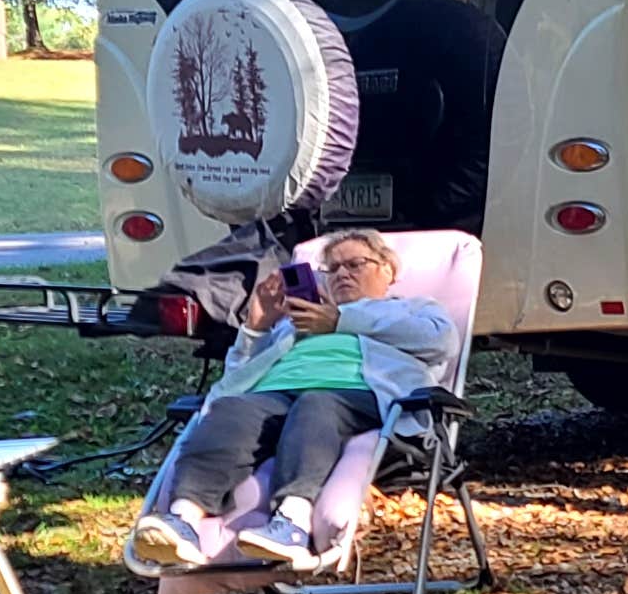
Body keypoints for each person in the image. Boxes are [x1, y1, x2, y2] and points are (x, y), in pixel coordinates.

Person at [128, 229, 457, 570]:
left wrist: (341, 321)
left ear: (388, 270)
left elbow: (441, 342)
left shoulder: (413, 310)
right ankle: (182, 521)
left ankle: (292, 524)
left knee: (317, 404)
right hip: (276, 395)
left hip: (358, 395)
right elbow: (235, 379)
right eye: (332, 269)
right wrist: (255, 327)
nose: (342, 274)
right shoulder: (293, 324)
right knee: (231, 410)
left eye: (355, 264)